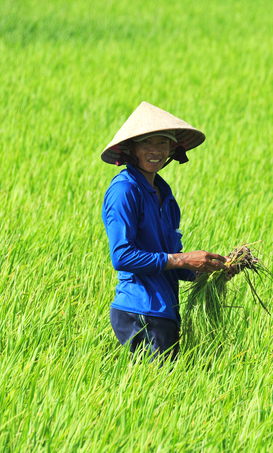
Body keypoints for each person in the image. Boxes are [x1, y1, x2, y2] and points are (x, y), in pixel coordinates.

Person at [101, 102, 230, 361]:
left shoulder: (166, 195)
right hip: (139, 312)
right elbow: (122, 257)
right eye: (147, 142)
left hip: (165, 314)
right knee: (153, 393)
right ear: (131, 148)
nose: (155, 151)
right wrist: (183, 258)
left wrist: (212, 268)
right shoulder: (124, 191)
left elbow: (172, 262)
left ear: (172, 149)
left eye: (163, 143)